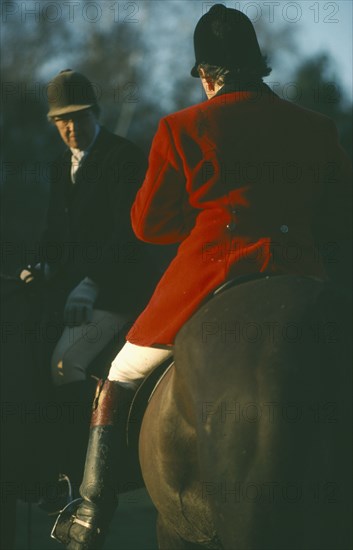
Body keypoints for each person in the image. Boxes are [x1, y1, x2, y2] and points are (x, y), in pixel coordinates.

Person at [53, 5, 352, 548]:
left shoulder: (182, 127)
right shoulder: (317, 128)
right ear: (258, 65)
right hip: (303, 274)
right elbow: (338, 216)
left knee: (118, 375)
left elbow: (148, 225)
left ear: (207, 76)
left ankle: (90, 510)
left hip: (211, 272)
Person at [20, 69, 160, 501]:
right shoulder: (61, 166)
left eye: (78, 117)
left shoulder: (124, 158)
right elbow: (54, 233)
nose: (70, 128)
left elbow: (129, 236)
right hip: (68, 290)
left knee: (66, 364)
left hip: (117, 291)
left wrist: (92, 283)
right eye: (61, 120)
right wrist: (37, 265)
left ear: (95, 112)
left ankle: (82, 481)